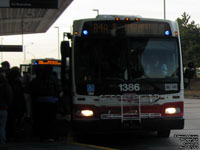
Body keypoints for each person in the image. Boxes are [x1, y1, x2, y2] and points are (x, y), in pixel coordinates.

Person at [30, 66, 62, 142]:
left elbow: (32, 90)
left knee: (42, 119)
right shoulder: (54, 79)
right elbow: (58, 89)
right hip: (52, 101)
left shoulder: (38, 79)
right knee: (51, 119)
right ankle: (51, 136)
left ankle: (43, 135)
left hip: (40, 101)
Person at [0, 68, 13, 149]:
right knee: (2, 127)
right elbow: (10, 97)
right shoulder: (5, 85)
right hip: (3, 108)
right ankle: (2, 143)